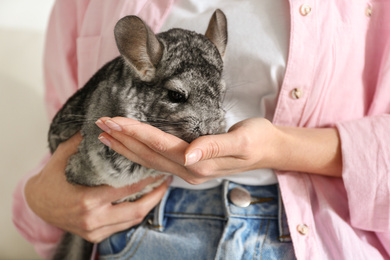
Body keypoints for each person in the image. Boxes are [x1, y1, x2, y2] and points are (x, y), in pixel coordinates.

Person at [13, 0, 390, 259]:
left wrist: (280, 148)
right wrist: (39, 200)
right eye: (179, 96)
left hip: (307, 236)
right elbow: (66, 121)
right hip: (135, 227)